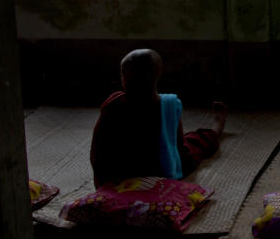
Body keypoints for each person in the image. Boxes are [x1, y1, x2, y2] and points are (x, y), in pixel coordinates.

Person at [90, 48, 227, 187]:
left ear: (123, 77)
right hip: (161, 172)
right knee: (194, 142)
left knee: (179, 140)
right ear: (157, 75)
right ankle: (216, 129)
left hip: (120, 175)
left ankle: (216, 128)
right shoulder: (169, 105)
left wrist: (103, 183)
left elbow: (97, 152)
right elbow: (178, 149)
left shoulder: (113, 103)